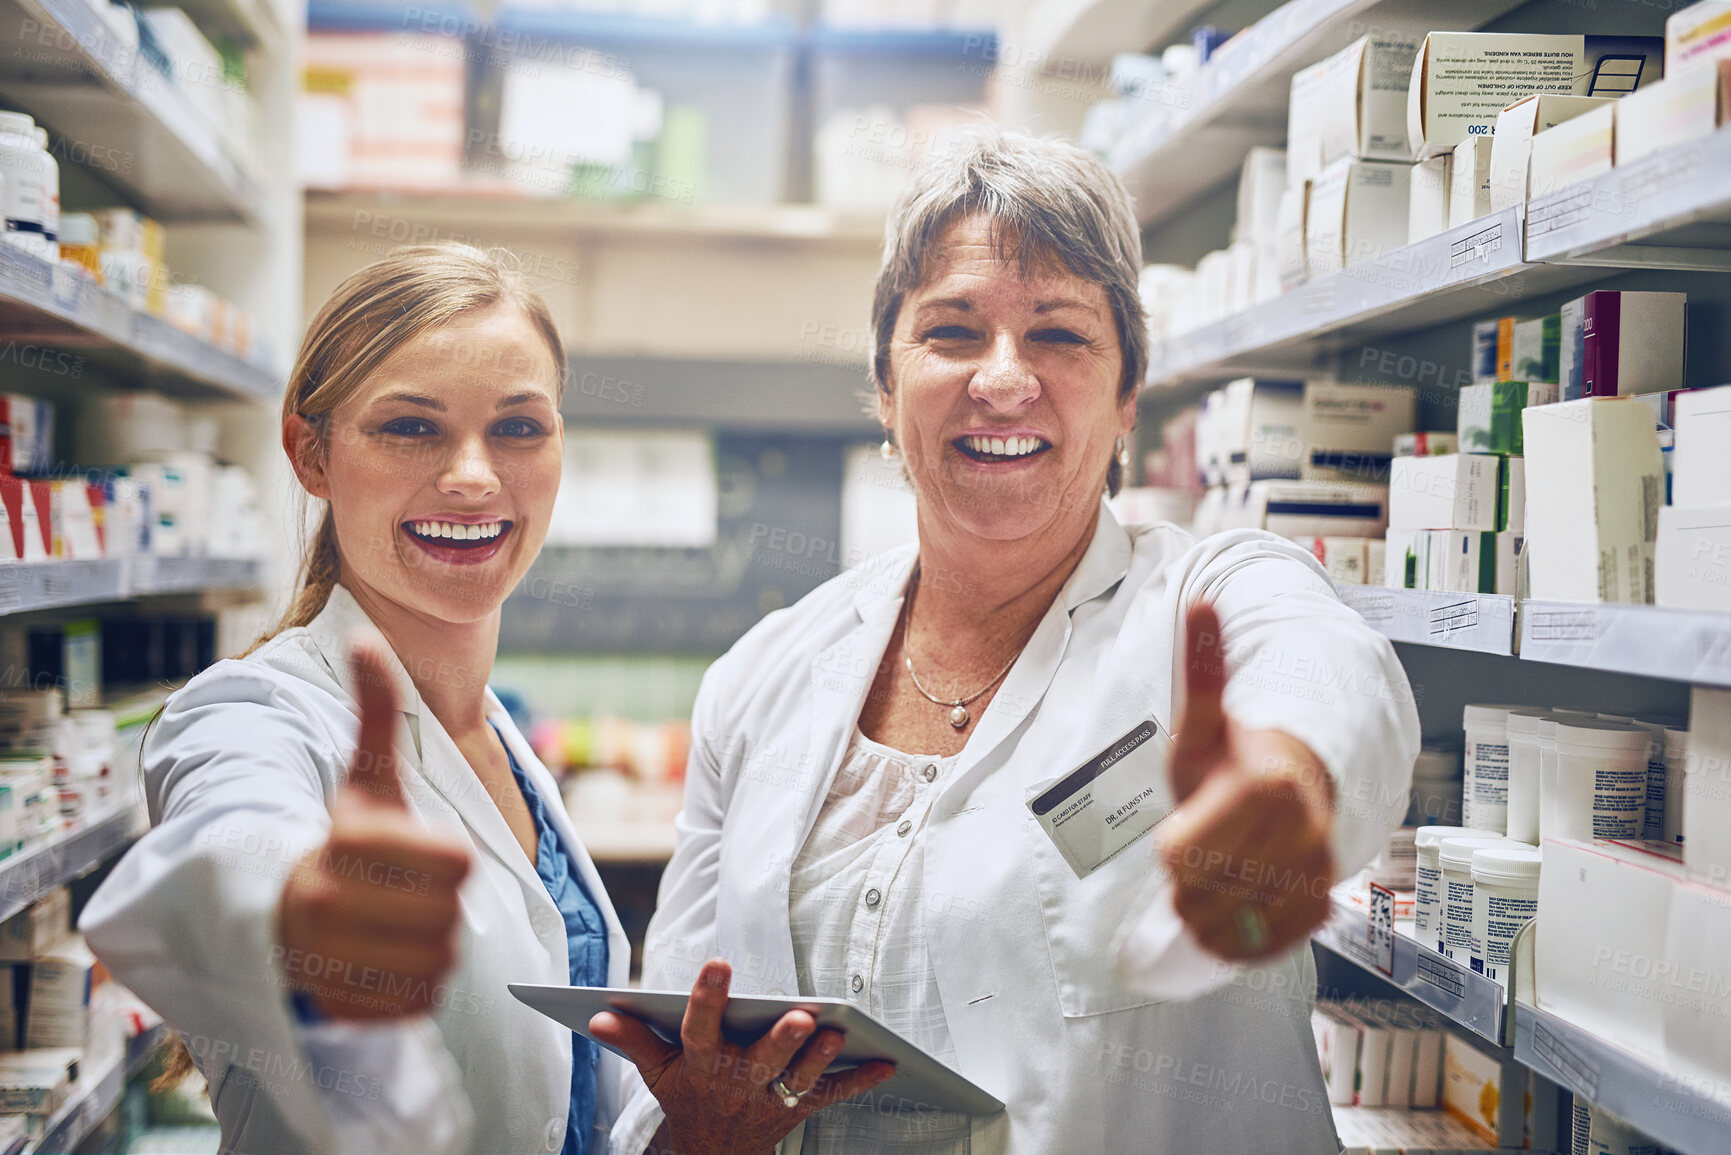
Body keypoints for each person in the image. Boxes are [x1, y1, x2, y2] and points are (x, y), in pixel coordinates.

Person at [594, 131, 1420, 1154]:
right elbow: (670, 1069)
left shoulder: (1208, 598)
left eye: (1060, 336)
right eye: (952, 330)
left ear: (1127, 397)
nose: (1002, 379)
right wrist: (702, 1130)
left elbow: (1328, 684)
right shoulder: (764, 674)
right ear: (886, 389)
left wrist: (1285, 789)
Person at [81, 244, 632, 1154]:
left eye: (519, 427)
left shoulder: (498, 738)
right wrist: (303, 916)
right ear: (312, 453)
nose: (472, 476)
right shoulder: (251, 712)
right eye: (410, 427)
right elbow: (231, 838)